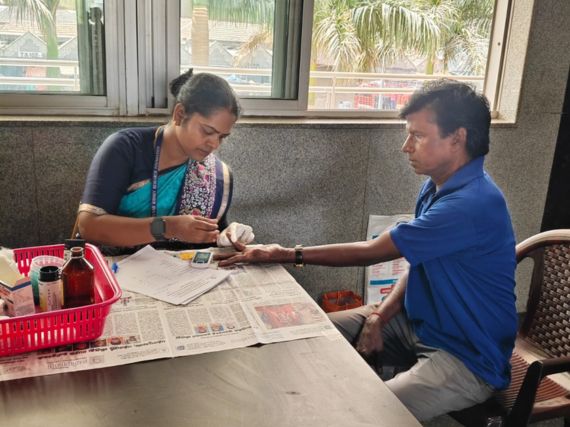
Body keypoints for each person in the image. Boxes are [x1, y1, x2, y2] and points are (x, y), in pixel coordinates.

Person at [215, 79, 517, 421]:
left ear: (457, 138)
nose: (406, 147)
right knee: (304, 336)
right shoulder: (436, 187)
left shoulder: (472, 204)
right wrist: (379, 316)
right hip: (416, 324)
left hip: (467, 357)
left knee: (361, 413)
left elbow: (372, 251)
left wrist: (284, 253)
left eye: (417, 135)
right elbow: (419, 263)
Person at [77, 69, 254, 253]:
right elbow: (89, 226)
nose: (214, 144)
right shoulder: (126, 148)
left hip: (181, 269)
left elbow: (211, 235)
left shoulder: (215, 174)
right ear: (180, 114)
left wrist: (227, 236)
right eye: (207, 131)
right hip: (115, 264)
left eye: (222, 137)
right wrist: (167, 227)